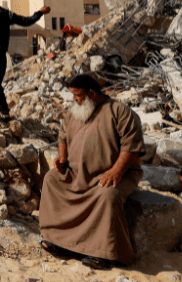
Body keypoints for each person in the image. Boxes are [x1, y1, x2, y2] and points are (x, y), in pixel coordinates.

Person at [39, 74, 145, 269]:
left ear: (91, 93)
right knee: (51, 180)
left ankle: (103, 255)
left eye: (77, 95)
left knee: (107, 195)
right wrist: (62, 159)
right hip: (77, 174)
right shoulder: (74, 112)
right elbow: (62, 137)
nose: (74, 99)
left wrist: (116, 171)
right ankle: (58, 240)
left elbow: (132, 147)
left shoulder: (120, 112)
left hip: (115, 173)